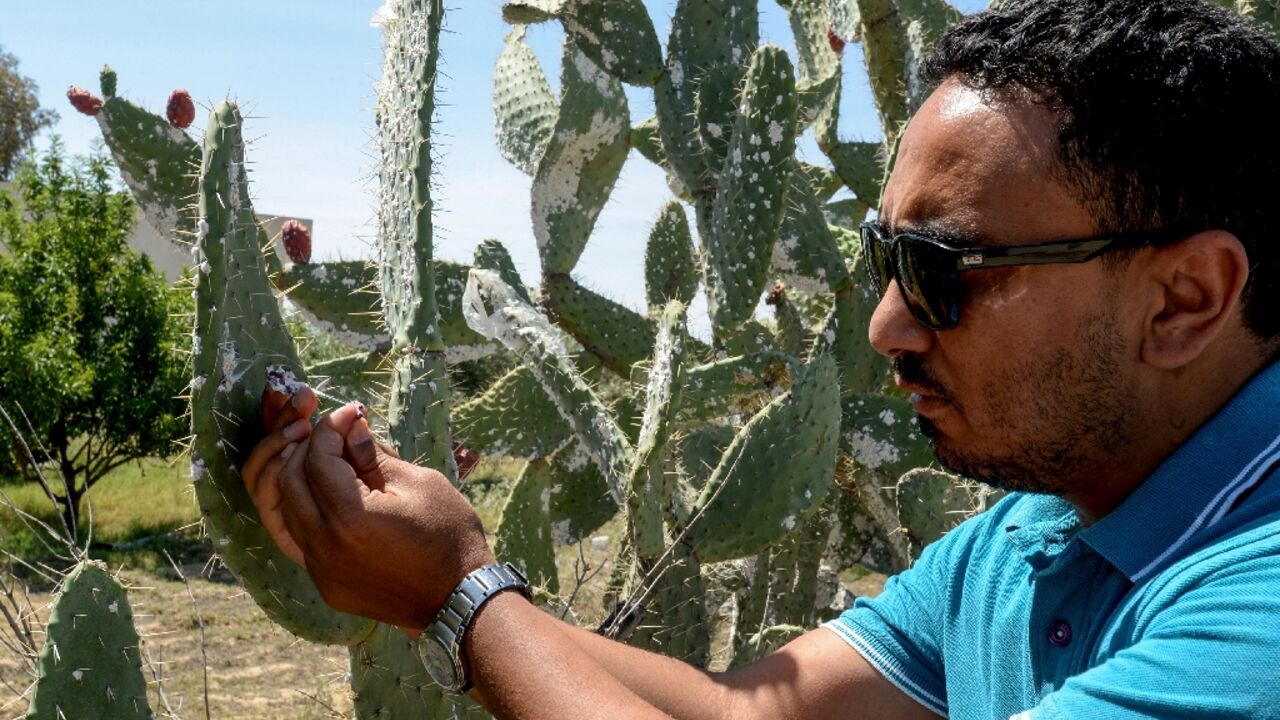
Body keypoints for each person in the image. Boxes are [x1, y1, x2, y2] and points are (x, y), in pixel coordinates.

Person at [241, 0, 1280, 716]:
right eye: (881, 259)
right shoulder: (1032, 532)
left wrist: (455, 598)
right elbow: (737, 716)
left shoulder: (1255, 622)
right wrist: (459, 578)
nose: (884, 327)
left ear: (1185, 299)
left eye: (939, 269)